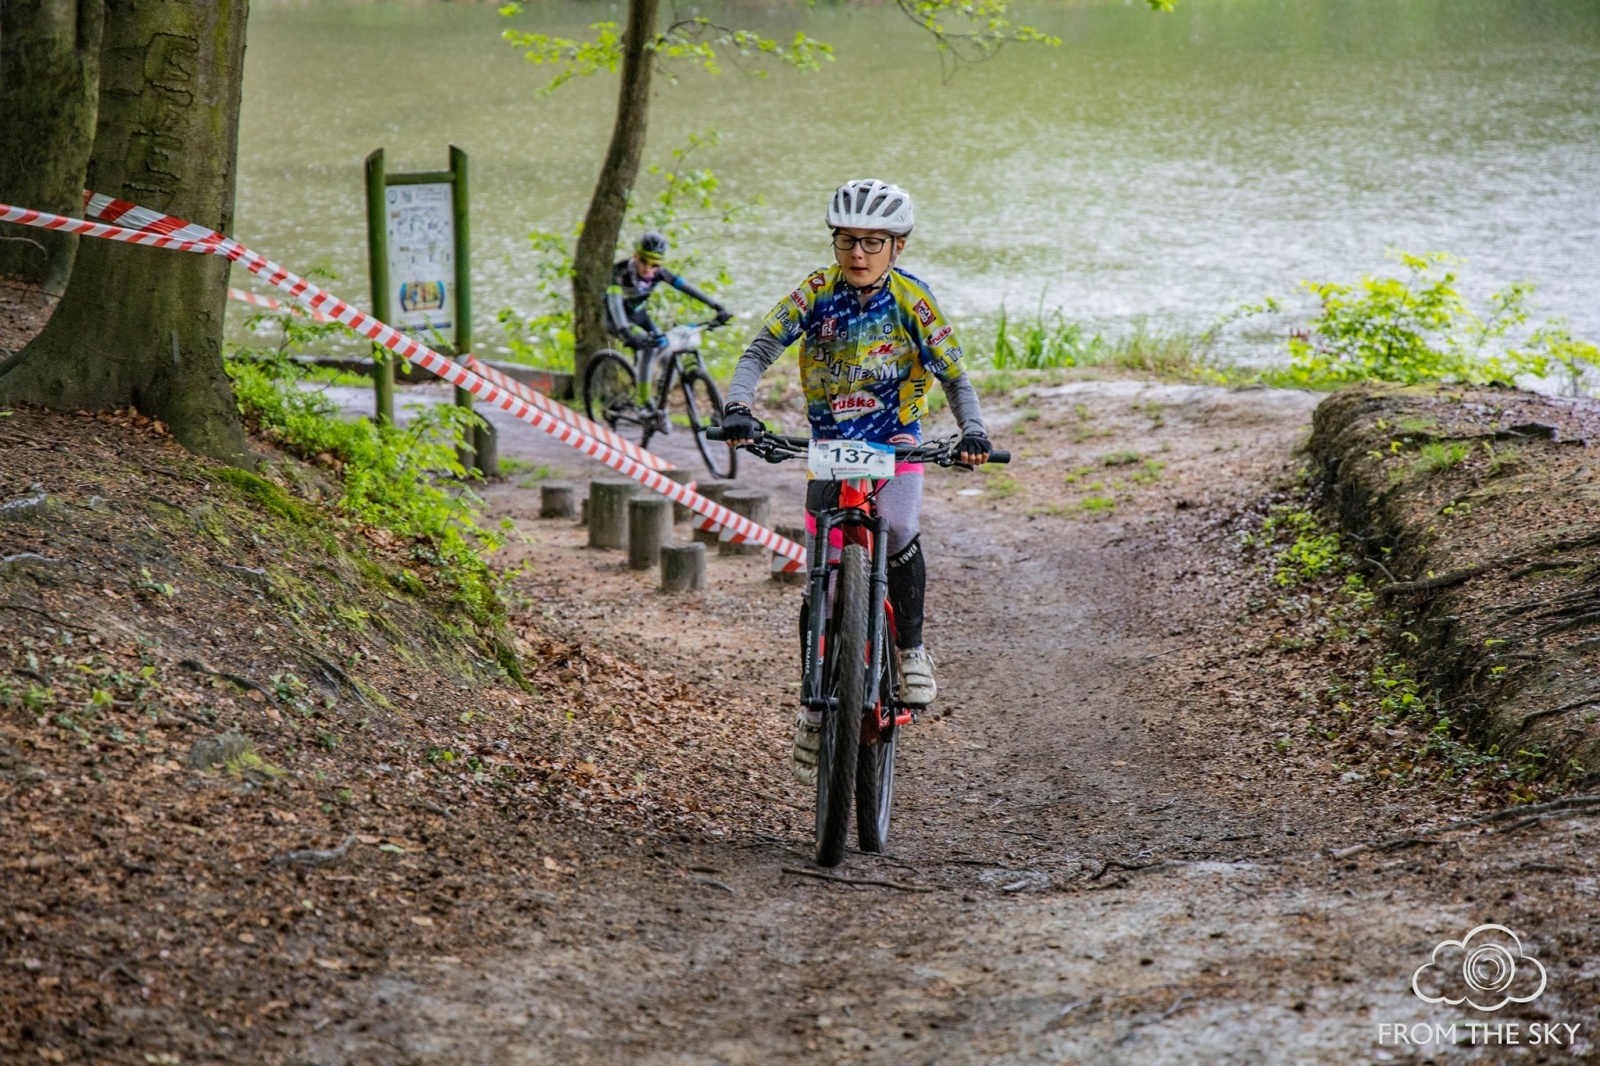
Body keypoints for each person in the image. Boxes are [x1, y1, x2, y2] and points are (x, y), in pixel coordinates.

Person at [719, 179, 992, 785]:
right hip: (830, 448)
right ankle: (813, 708)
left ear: (898, 246)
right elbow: (759, 349)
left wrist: (972, 431)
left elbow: (956, 377)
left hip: (896, 443)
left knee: (896, 527)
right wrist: (739, 406)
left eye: (873, 242)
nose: (858, 254)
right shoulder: (816, 291)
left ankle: (912, 648)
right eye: (847, 241)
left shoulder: (914, 301)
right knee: (823, 573)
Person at [605, 231, 731, 352]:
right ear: (636, 255)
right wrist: (625, 330)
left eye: (655, 264)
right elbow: (615, 305)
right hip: (616, 318)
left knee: (663, 344)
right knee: (648, 345)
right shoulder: (620, 272)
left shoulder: (660, 273)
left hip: (639, 314)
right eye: (644, 260)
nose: (648, 268)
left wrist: (716, 306)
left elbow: (687, 288)